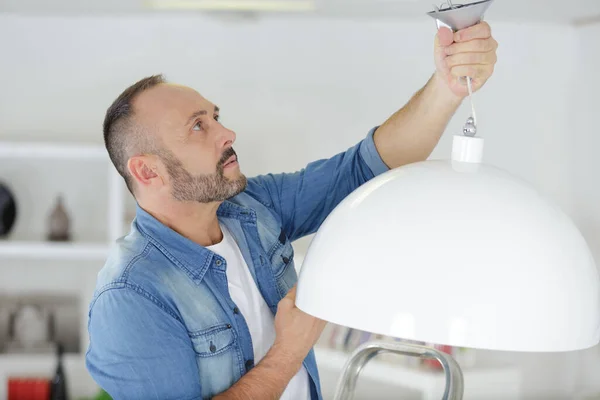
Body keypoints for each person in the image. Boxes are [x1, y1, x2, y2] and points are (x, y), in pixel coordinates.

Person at [85, 24, 497, 400]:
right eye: (198, 126)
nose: (227, 133)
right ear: (147, 170)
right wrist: (289, 352)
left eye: (215, 117)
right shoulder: (130, 296)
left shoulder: (250, 209)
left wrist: (447, 88)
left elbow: (365, 168)